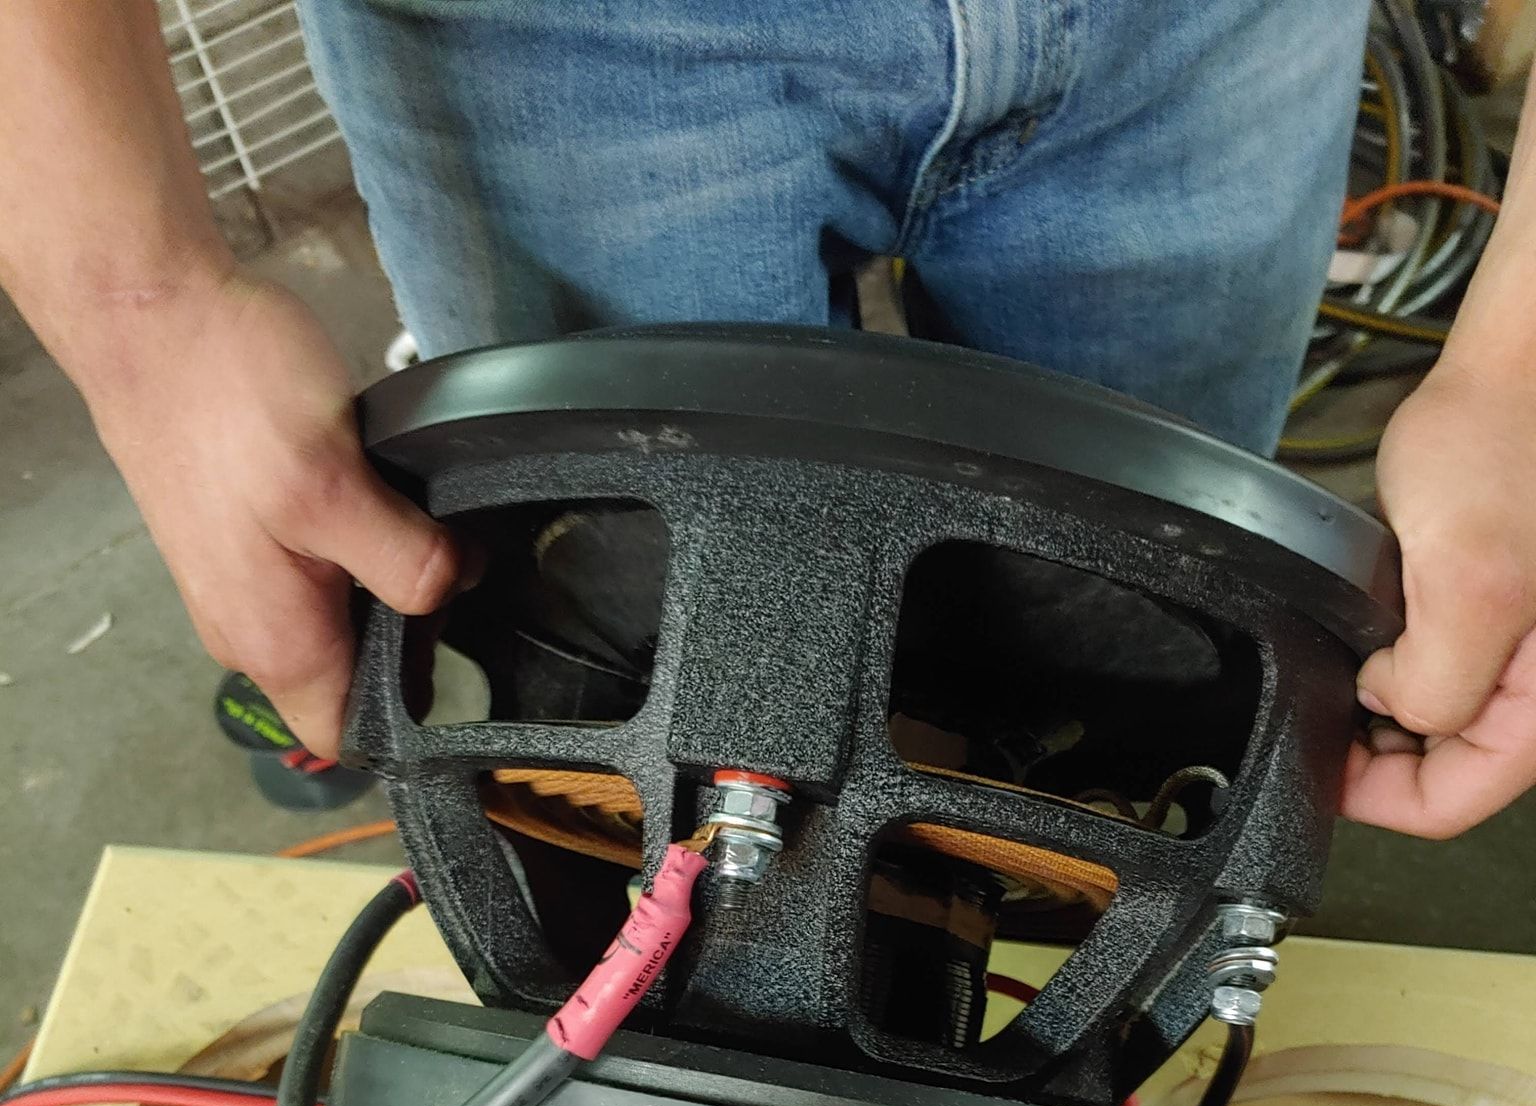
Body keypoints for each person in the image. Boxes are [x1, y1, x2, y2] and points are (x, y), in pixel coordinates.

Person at [1, 0, 1532, 838]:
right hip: (549, 40)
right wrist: (138, 307)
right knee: (638, 689)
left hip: (1205, 36)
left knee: (1124, 667)